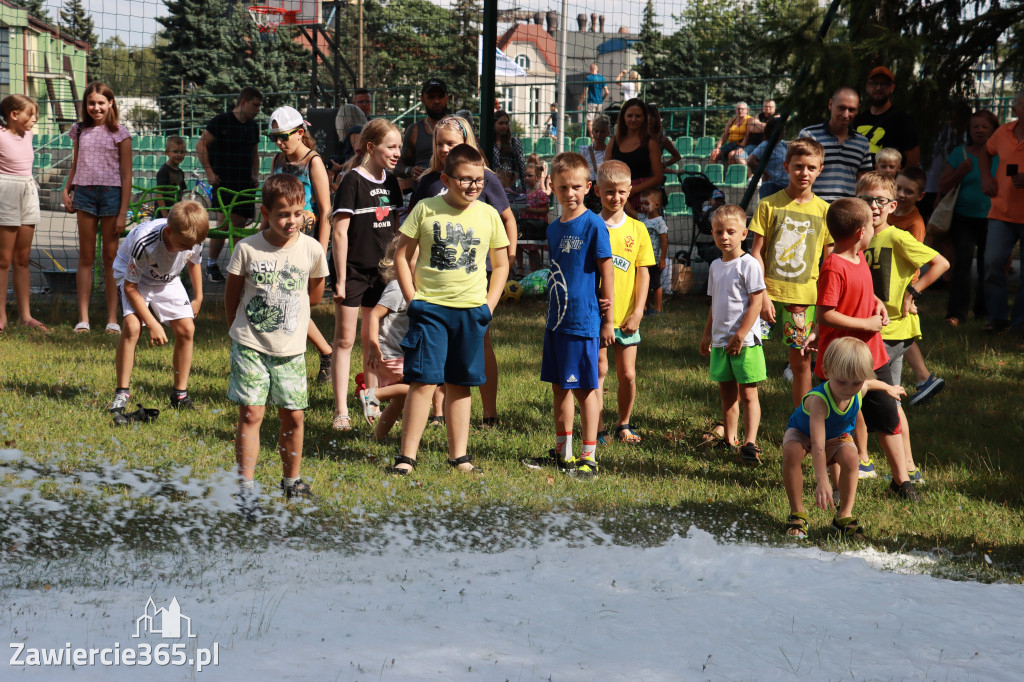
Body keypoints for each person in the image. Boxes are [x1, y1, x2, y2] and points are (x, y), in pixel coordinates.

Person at [388, 144, 510, 475]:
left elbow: (500, 265)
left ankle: (459, 457)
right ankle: (406, 458)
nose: (472, 187)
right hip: (430, 310)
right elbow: (402, 256)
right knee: (423, 381)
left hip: (472, 312)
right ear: (446, 178)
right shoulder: (426, 209)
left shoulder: (488, 215)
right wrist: (413, 298)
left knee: (461, 383)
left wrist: (489, 305)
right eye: (464, 180)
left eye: (479, 181)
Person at [406, 115, 518, 428]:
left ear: (466, 144)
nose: (443, 149)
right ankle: (438, 414)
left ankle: (490, 413)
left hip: (474, 278)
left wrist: (508, 254)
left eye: (451, 143)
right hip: (434, 283)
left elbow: (506, 217)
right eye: (439, 143)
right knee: (435, 346)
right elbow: (412, 235)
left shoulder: (485, 179)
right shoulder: (429, 182)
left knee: (479, 343)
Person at [226, 174, 328, 511]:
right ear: (265, 212)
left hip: (291, 350)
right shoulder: (247, 248)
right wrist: (238, 331)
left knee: (294, 417)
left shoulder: (312, 250)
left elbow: (313, 295)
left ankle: (291, 481)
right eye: (283, 214)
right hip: (250, 345)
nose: (291, 221)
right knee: (252, 414)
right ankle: (246, 487)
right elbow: (232, 296)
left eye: (298, 213)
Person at [816, 196, 919, 502]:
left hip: (873, 354)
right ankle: (837, 489)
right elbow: (825, 313)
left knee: (888, 414)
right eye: (871, 225)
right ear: (861, 232)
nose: (875, 228)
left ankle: (901, 483)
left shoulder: (859, 258)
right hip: (844, 360)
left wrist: (876, 304)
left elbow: (864, 290)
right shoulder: (833, 265)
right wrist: (866, 324)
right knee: (838, 423)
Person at [523, 152, 614, 479]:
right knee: (559, 388)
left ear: (588, 187)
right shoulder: (553, 228)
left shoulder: (593, 224)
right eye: (562, 188)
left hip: (583, 322)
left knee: (586, 390)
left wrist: (608, 319)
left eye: (576, 186)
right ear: (553, 189)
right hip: (556, 323)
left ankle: (588, 457)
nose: (570, 193)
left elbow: (607, 273)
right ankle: (564, 454)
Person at [860, 171, 949, 485]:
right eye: (866, 200)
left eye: (880, 201)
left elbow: (940, 263)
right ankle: (907, 467)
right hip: (874, 328)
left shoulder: (896, 236)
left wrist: (913, 291)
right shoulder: (862, 239)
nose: (873, 206)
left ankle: (866, 462)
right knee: (890, 398)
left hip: (894, 330)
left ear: (892, 205)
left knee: (870, 393)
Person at [781, 337, 905, 539]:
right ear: (827, 372)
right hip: (803, 433)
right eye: (841, 382)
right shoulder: (819, 402)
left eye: (855, 382)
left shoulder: (859, 388)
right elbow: (818, 446)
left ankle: (843, 517)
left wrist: (888, 388)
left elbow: (869, 383)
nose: (848, 389)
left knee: (850, 456)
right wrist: (822, 480)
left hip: (836, 435)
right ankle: (797, 513)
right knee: (792, 452)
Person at [330, 119, 404, 431]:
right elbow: (340, 233)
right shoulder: (352, 182)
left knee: (372, 341)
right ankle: (341, 411)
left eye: (400, 146)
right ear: (371, 148)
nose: (397, 152)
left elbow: (397, 230)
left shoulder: (391, 181)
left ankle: (371, 402)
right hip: (354, 272)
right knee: (345, 339)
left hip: (383, 274)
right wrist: (342, 278)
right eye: (391, 146)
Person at [748, 137, 832, 408]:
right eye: (798, 166)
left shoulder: (825, 211)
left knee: (801, 362)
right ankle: (741, 418)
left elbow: (830, 263)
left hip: (802, 299)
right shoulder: (768, 205)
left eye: (810, 167)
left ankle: (803, 419)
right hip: (765, 296)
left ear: (820, 169)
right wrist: (761, 294)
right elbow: (756, 253)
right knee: (746, 357)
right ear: (786, 166)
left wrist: (824, 303)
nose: (804, 173)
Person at [109, 200, 209, 414]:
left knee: (187, 329)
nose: (189, 249)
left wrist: (198, 297)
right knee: (133, 327)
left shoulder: (193, 237)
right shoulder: (145, 242)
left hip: (167, 278)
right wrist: (152, 323)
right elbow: (131, 287)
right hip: (135, 279)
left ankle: (179, 395)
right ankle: (122, 392)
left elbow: (194, 262)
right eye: (184, 245)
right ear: (170, 231)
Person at [267, 106, 335, 384]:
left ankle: (324, 353)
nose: (280, 143)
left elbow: (327, 210)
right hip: (277, 240)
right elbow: (270, 202)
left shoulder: (313, 162)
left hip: (303, 242)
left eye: (284, 136)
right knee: (284, 301)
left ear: (300, 132)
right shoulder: (277, 160)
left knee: (295, 301)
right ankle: (323, 353)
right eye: (274, 138)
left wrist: (320, 251)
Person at [62, 81, 133, 334]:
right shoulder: (79, 130)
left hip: (112, 197)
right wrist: (66, 189)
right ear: (85, 105)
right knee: (86, 256)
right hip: (84, 194)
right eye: (91, 103)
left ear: (110, 103)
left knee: (111, 257)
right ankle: (83, 319)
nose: (96, 107)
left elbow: (126, 175)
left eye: (101, 103)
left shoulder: (121, 133)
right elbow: (75, 164)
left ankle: (113, 319)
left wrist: (124, 212)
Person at [699, 205, 767, 464]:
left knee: (748, 393)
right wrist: (707, 335)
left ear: (743, 234)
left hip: (746, 343)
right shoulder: (716, 266)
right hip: (720, 342)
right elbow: (714, 305)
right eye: (718, 232)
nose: (724, 237)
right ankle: (730, 439)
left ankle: (750, 443)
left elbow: (756, 303)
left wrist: (740, 334)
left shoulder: (748, 264)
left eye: (730, 231)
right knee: (727, 395)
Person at [594, 160, 654, 444]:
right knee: (599, 372)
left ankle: (624, 424)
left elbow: (643, 273)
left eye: (620, 191)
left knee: (628, 374)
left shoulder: (638, 230)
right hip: (596, 317)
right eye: (608, 192)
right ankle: (598, 427)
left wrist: (639, 311)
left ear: (629, 191)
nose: (615, 197)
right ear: (597, 191)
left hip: (628, 317)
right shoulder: (590, 226)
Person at [938, 109, 999, 327]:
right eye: (976, 127)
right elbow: (943, 185)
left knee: (989, 265)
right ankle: (956, 313)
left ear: (994, 129)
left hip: (993, 218)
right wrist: (961, 171)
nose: (980, 130)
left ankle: (984, 311)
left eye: (985, 126)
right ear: (969, 131)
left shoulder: (1001, 155)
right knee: (962, 265)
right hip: (962, 217)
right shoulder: (959, 153)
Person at [197, 86, 262, 283]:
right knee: (225, 224)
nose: (258, 109)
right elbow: (201, 144)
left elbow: (254, 152)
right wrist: (209, 172)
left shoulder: (253, 126)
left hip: (245, 183)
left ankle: (238, 267)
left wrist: (255, 173)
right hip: (224, 182)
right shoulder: (221, 121)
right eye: (255, 105)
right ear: (243, 102)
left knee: (240, 226)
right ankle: (212, 265)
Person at [360, 235, 413, 442]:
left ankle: (378, 437)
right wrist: (374, 347)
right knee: (420, 387)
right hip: (390, 353)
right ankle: (373, 395)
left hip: (398, 352)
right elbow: (374, 315)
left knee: (400, 400)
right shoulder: (398, 287)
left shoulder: (408, 286)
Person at [0, 94, 46, 331]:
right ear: (13, 115)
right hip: (6, 192)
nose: (34, 119)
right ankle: (1, 316)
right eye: (30, 114)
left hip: (28, 191)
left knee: (22, 259)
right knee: (3, 260)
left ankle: (25, 316)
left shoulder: (27, 133)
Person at [980, 90, 1024, 333]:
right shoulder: (1003, 133)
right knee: (993, 263)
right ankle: (997, 319)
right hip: (1001, 212)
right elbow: (985, 153)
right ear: (1016, 110)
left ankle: (1019, 323)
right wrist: (986, 176)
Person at [798, 86, 873, 202]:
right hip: (814, 209)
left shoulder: (862, 142)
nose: (845, 115)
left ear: (857, 110)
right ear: (830, 104)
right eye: (841, 108)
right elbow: (798, 176)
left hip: (848, 211)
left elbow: (864, 183)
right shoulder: (809, 136)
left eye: (851, 110)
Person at [853, 66, 921, 167]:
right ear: (867, 86)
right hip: (861, 181)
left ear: (892, 87)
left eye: (883, 84)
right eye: (874, 83)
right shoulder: (859, 119)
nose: (878, 88)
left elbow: (913, 161)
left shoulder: (902, 120)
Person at [608, 98, 663, 214]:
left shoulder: (651, 143)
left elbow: (658, 177)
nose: (633, 119)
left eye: (638, 116)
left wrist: (633, 190)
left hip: (644, 200)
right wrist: (621, 192)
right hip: (618, 198)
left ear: (644, 118)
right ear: (623, 117)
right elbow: (605, 172)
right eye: (630, 116)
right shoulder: (613, 142)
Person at [396, 78, 450, 186]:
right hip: (422, 196)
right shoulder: (414, 131)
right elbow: (398, 165)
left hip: (452, 195)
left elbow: (480, 161)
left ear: (447, 98)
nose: (437, 101)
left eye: (440, 96)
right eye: (431, 97)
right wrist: (409, 171)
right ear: (422, 100)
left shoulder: (460, 127)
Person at [638, 188, 668, 314]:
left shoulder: (659, 222)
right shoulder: (642, 218)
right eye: (642, 203)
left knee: (656, 284)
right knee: (642, 283)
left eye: (646, 203)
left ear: (656, 205)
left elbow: (664, 240)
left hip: (655, 259)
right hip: (643, 258)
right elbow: (629, 210)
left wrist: (662, 258)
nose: (643, 206)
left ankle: (658, 308)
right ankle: (644, 307)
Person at [747, 118, 788, 199]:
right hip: (772, 187)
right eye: (782, 129)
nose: (784, 131)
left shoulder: (783, 145)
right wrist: (764, 172)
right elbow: (750, 160)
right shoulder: (766, 144)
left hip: (785, 186)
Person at [579, 114, 610, 213]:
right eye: (596, 131)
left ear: (607, 133)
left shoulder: (609, 151)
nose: (599, 135)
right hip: (588, 189)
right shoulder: (584, 150)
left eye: (602, 132)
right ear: (592, 132)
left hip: (603, 188)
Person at [491, 110, 526, 189]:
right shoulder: (489, 143)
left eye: (506, 123)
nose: (504, 126)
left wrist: (524, 188)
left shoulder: (514, 142)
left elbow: (521, 165)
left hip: (509, 185)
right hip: (492, 184)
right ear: (493, 124)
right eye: (501, 123)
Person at [710, 102, 753, 166]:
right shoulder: (732, 120)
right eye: (738, 109)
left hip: (741, 145)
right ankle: (711, 174)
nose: (740, 111)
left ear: (747, 110)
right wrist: (717, 147)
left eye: (742, 109)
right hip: (731, 145)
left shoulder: (750, 119)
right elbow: (725, 135)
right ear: (736, 110)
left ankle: (732, 175)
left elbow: (748, 135)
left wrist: (741, 147)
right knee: (714, 154)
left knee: (731, 155)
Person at [155, 135, 187, 213]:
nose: (179, 155)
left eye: (182, 152)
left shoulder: (180, 172)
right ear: (167, 152)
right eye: (175, 151)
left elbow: (180, 195)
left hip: (174, 212)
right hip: (162, 214)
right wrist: (165, 215)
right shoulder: (164, 170)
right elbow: (159, 194)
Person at [647, 103, 682, 168]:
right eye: (646, 115)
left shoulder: (662, 139)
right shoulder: (636, 136)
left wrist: (664, 165)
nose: (649, 118)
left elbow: (677, 156)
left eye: (652, 116)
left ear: (656, 119)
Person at [579, 63, 609, 138]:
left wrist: (580, 104)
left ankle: (593, 138)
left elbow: (584, 92)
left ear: (590, 69)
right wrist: (602, 99)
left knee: (590, 121)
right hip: (599, 103)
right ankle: (598, 137)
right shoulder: (602, 78)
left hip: (591, 102)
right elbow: (607, 92)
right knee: (597, 121)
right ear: (597, 69)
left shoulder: (589, 78)